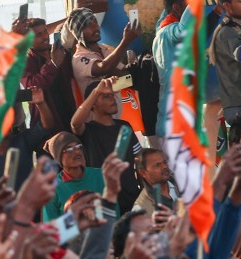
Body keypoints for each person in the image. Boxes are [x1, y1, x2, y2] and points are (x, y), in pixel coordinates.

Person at [152, 0, 214, 139]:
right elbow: (183, 30)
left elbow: (167, 15)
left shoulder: (162, 28)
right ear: (178, 8)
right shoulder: (169, 32)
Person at [70, 78, 140, 213]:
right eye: (106, 96)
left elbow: (139, 159)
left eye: (112, 95)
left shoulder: (124, 126)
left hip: (132, 198)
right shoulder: (88, 131)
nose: (113, 99)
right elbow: (75, 123)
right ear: (93, 104)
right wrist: (96, 91)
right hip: (106, 201)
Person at [65, 7, 141, 101]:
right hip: (97, 115)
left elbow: (127, 79)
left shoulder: (104, 49)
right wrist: (126, 41)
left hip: (115, 114)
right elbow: (104, 67)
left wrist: (111, 78)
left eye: (95, 22)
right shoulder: (78, 59)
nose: (95, 27)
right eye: (88, 25)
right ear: (79, 33)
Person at [44, 131, 104, 220]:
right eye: (69, 149)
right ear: (58, 158)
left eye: (78, 147)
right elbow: (51, 227)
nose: (77, 152)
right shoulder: (51, 188)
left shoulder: (100, 175)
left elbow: (113, 211)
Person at [133, 148, 178, 215]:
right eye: (157, 165)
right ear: (143, 173)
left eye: (164, 162)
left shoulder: (182, 184)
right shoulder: (140, 209)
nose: (164, 167)